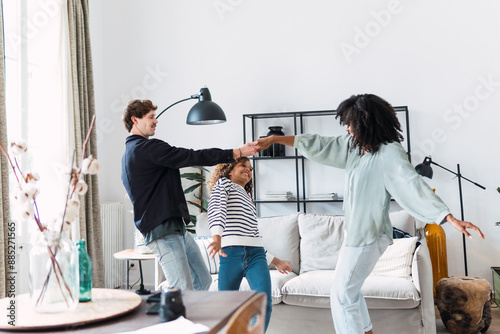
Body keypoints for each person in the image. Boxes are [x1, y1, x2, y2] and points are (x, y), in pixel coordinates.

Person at [256, 94, 485, 334]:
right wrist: (275, 139)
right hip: (354, 235)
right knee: (349, 293)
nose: (346, 127)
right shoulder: (355, 148)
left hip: (370, 235)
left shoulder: (388, 152)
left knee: (342, 294)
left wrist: (446, 217)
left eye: (350, 122)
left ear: (365, 121)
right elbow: (320, 143)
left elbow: (410, 183)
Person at [121, 99, 258, 291]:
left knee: (202, 281)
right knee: (181, 289)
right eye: (151, 117)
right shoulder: (146, 149)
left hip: (175, 228)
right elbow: (191, 156)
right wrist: (236, 152)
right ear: (135, 120)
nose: (156, 121)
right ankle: (172, 320)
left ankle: (191, 319)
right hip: (162, 231)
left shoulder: (130, 154)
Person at [206, 157, 292, 331]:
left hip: (256, 256)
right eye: (243, 166)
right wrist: (217, 238)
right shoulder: (224, 184)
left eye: (251, 169)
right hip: (230, 254)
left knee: (263, 304)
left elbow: (253, 237)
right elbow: (217, 209)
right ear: (229, 170)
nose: (248, 170)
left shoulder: (247, 198)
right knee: (226, 308)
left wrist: (276, 261)